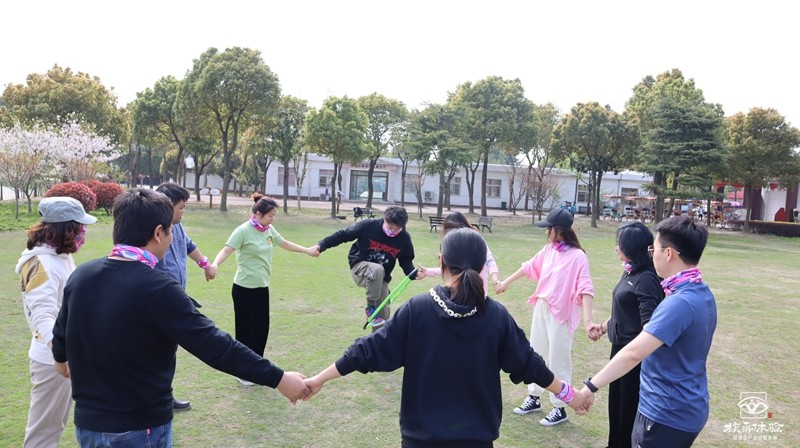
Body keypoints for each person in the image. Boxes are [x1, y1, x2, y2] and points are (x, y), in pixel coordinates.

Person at [51, 188, 310, 448]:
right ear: (158, 233)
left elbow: (61, 339)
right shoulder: (159, 288)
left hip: (89, 427)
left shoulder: (82, 276)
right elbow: (215, 345)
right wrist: (278, 378)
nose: (172, 237)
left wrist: (64, 364)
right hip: (140, 428)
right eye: (171, 231)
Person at [304, 228, 588, 447]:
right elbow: (530, 364)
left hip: (420, 441)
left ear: (441, 262)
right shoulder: (495, 316)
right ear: (481, 266)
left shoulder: (417, 310)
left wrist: (318, 379)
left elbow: (365, 351)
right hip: (476, 440)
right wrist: (569, 395)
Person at [578, 216, 717, 448]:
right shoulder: (701, 293)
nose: (652, 255)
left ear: (669, 253)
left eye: (655, 249)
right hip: (686, 407)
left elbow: (634, 352)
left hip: (666, 414)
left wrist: (590, 387)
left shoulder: (679, 303)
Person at [496, 208, 597, 426]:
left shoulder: (578, 257)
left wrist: (588, 320)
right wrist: (506, 282)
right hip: (542, 307)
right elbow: (530, 266)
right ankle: (533, 396)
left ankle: (560, 407)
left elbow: (585, 287)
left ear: (558, 230)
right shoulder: (549, 250)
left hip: (561, 314)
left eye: (548, 228)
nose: (546, 232)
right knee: (536, 353)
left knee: (559, 360)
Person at [211, 193, 318, 385]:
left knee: (261, 329)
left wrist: (307, 250)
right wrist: (215, 265)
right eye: (270, 215)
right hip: (243, 289)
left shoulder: (268, 230)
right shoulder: (242, 231)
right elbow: (227, 249)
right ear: (258, 214)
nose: (272, 219)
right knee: (246, 332)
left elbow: (284, 243)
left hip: (262, 288)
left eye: (274, 216)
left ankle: (256, 369)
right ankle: (243, 372)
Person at [16, 197, 96, 448]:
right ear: (66, 229)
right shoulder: (43, 264)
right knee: (43, 432)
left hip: (64, 356)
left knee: (54, 424)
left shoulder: (58, 257)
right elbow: (41, 316)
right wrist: (61, 354)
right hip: (53, 361)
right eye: (80, 227)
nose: (83, 232)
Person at [589, 221, 664, 447]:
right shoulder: (631, 270)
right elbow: (626, 309)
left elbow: (650, 325)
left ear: (631, 248)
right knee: (616, 408)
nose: (616, 248)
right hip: (619, 350)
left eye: (619, 244)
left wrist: (635, 352)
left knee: (627, 411)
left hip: (633, 357)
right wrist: (605, 326)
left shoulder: (647, 279)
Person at [154, 182, 217, 411]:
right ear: (166, 206)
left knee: (168, 350)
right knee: (157, 351)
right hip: (157, 302)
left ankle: (165, 394)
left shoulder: (177, 228)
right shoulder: (153, 232)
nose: (183, 212)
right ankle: (157, 397)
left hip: (175, 298)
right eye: (180, 207)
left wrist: (206, 265)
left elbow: (189, 246)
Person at [313, 206, 417, 329]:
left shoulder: (404, 238)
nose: (393, 231)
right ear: (384, 219)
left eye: (397, 229)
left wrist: (413, 273)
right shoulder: (369, 225)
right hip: (360, 268)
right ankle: (370, 308)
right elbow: (343, 235)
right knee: (377, 269)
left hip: (381, 278)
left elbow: (406, 260)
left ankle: (378, 340)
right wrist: (321, 246)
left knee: (383, 320)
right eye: (390, 227)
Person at [416, 211, 501, 295]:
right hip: (465, 293)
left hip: (474, 292)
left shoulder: (476, 241)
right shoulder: (452, 245)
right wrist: (428, 271)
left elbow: (490, 261)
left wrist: (495, 280)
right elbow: (451, 269)